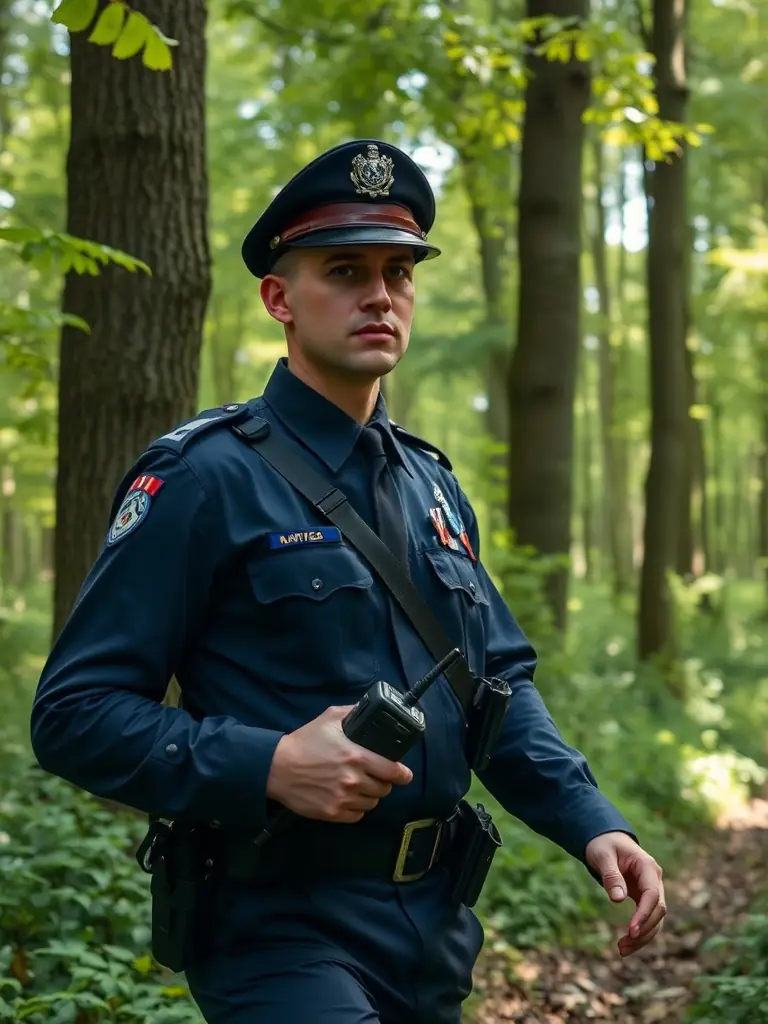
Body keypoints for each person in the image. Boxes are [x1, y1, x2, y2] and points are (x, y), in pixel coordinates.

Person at [31, 139, 666, 1024]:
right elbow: (73, 714)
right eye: (345, 269)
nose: (380, 294)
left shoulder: (431, 484)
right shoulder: (203, 477)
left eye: (399, 272)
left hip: (435, 926)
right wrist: (271, 764)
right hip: (276, 925)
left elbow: (495, 689)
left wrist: (592, 820)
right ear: (279, 299)